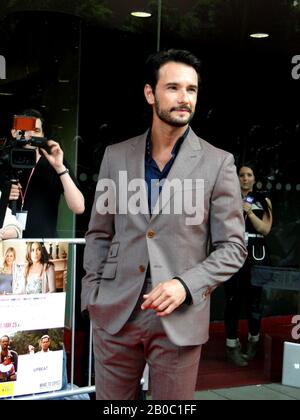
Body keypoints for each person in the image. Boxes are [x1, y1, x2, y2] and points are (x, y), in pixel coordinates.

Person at [81, 49, 247, 400]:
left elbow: (233, 248)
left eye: (192, 89)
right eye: (173, 87)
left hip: (179, 318)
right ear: (150, 93)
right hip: (115, 314)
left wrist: (185, 285)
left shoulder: (218, 164)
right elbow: (98, 232)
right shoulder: (116, 156)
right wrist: (92, 295)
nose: (184, 98)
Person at [224, 164, 272, 367]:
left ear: (254, 178)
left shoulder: (263, 200)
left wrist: (250, 212)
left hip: (256, 255)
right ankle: (232, 346)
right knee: (232, 300)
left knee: (254, 301)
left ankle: (254, 340)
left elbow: (266, 229)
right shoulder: (227, 199)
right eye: (241, 175)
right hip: (233, 252)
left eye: (249, 175)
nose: (245, 178)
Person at [10, 109, 84, 238]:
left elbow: (78, 207)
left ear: (43, 134)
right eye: (26, 129)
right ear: (14, 132)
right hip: (6, 247)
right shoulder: (4, 161)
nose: (31, 134)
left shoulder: (54, 162)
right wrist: (4, 195)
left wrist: (60, 167)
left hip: (43, 246)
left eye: (36, 130)